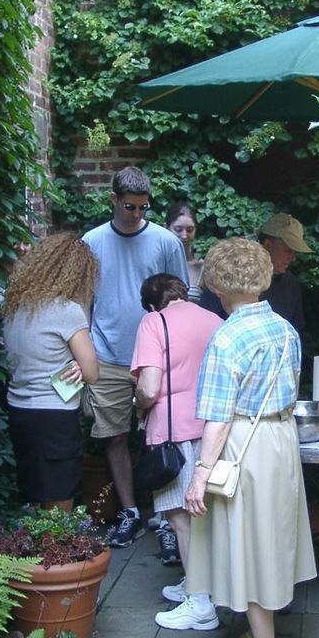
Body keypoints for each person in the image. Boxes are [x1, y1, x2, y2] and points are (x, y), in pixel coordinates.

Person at [184, 238, 316, 638]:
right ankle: (253, 636)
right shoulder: (283, 328)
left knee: (252, 546)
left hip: (244, 445)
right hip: (280, 440)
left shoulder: (226, 337)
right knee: (270, 539)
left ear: (219, 286)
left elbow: (218, 418)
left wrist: (200, 473)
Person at [82, 167, 188, 549]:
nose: (138, 214)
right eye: (130, 207)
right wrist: (83, 349)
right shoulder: (91, 242)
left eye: (144, 207)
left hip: (156, 356)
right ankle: (129, 511)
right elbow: (84, 299)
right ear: (112, 200)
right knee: (113, 436)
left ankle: (165, 519)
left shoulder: (164, 242)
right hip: (107, 353)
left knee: (162, 438)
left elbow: (180, 296)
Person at [130, 274, 222, 609]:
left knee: (181, 518)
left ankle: (199, 603)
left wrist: (138, 407)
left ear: (153, 303)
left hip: (173, 433)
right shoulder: (214, 319)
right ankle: (201, 584)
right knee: (207, 515)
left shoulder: (153, 322)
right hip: (214, 428)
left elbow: (149, 387)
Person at [3, 232, 99, 511]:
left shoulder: (17, 305)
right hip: (55, 414)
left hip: (20, 409)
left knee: (40, 494)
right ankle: (57, 556)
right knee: (60, 500)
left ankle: (38, 553)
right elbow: (92, 371)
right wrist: (80, 365)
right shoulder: (66, 311)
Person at [199, 212, 310, 336]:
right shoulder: (230, 276)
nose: (293, 257)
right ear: (268, 245)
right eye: (289, 250)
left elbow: (296, 329)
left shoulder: (290, 284)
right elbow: (205, 325)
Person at [165, 202, 204, 303]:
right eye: (178, 229)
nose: (184, 235)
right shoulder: (157, 263)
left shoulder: (202, 267)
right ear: (166, 228)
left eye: (190, 230)